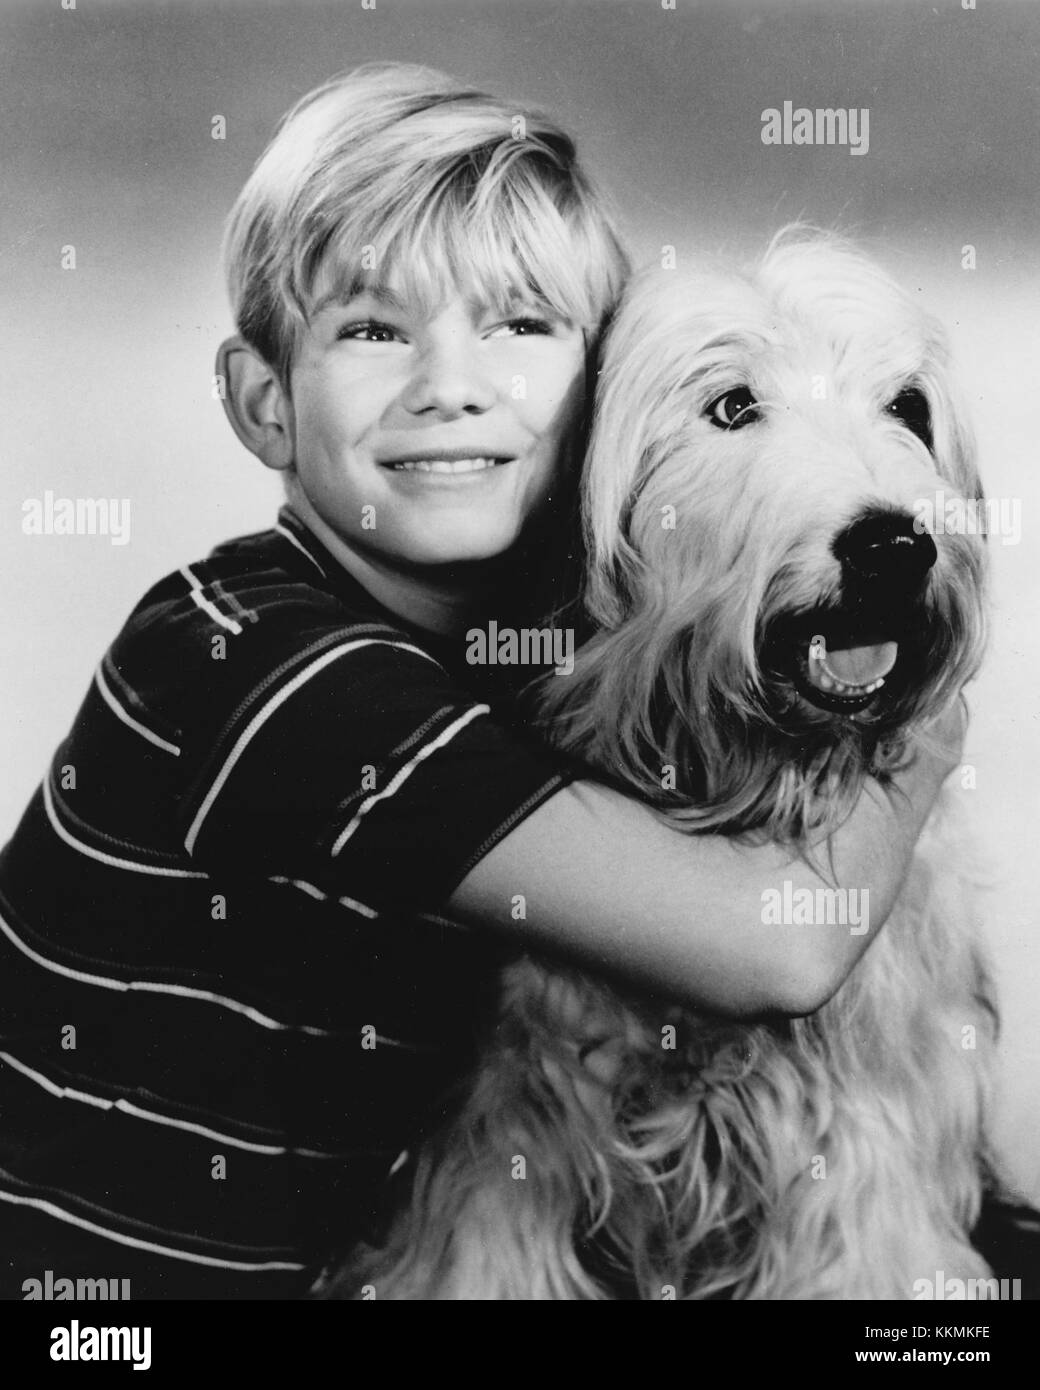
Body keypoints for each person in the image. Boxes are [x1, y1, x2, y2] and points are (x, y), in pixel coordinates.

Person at [0, 63, 964, 1300]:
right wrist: (925, 732)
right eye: (370, 327)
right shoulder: (253, 662)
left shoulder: (496, 660)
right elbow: (773, 956)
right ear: (260, 404)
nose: (449, 385)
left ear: (604, 401)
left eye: (517, 326)